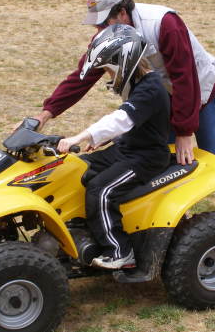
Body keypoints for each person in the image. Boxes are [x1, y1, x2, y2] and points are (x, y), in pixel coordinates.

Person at [33, 0, 215, 224]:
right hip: (157, 102)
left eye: (103, 22)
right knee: (153, 159)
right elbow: (82, 76)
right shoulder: (110, 36)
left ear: (122, 13)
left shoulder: (163, 23)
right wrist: (46, 113)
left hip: (198, 93)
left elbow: (184, 76)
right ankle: (169, 225)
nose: (98, 29)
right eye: (96, 24)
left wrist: (184, 131)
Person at [57, 24, 171, 269]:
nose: (108, 76)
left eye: (109, 70)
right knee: (77, 168)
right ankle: (80, 227)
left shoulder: (151, 88)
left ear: (124, 63)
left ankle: (120, 251)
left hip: (146, 158)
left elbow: (121, 119)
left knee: (101, 190)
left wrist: (81, 136)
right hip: (129, 148)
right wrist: (100, 139)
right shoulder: (138, 85)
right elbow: (133, 123)